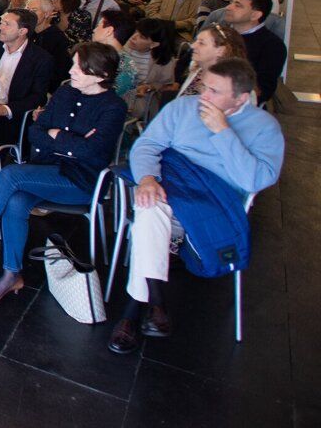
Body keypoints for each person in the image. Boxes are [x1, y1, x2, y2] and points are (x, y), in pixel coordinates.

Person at [108, 58, 284, 354]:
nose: (204, 96)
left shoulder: (264, 128)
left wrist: (223, 132)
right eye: (205, 86)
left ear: (241, 98)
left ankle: (134, 311)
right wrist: (149, 178)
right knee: (149, 205)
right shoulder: (182, 109)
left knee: (146, 220)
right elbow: (148, 146)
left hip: (214, 201)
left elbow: (254, 180)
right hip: (171, 186)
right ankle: (152, 305)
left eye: (215, 91)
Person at [0, 43, 129, 300]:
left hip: (81, 180)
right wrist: (68, 140)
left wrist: (57, 136)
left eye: (79, 67)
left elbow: (92, 152)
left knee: (11, 174)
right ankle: (11, 274)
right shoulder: (65, 92)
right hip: (45, 169)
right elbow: (35, 133)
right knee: (15, 200)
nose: (71, 70)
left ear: (101, 75)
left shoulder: (113, 107)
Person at [0, 9, 53, 145]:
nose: (0, 27)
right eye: (1, 23)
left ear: (22, 31)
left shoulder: (41, 59)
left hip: (10, 116)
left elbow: (38, 96)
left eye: (7, 24)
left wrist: (5, 109)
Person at [220, 0, 286, 104]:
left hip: (236, 105)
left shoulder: (271, 45)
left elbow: (263, 90)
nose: (228, 7)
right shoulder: (219, 33)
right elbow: (187, 61)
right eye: (231, 3)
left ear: (255, 15)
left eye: (238, 5)